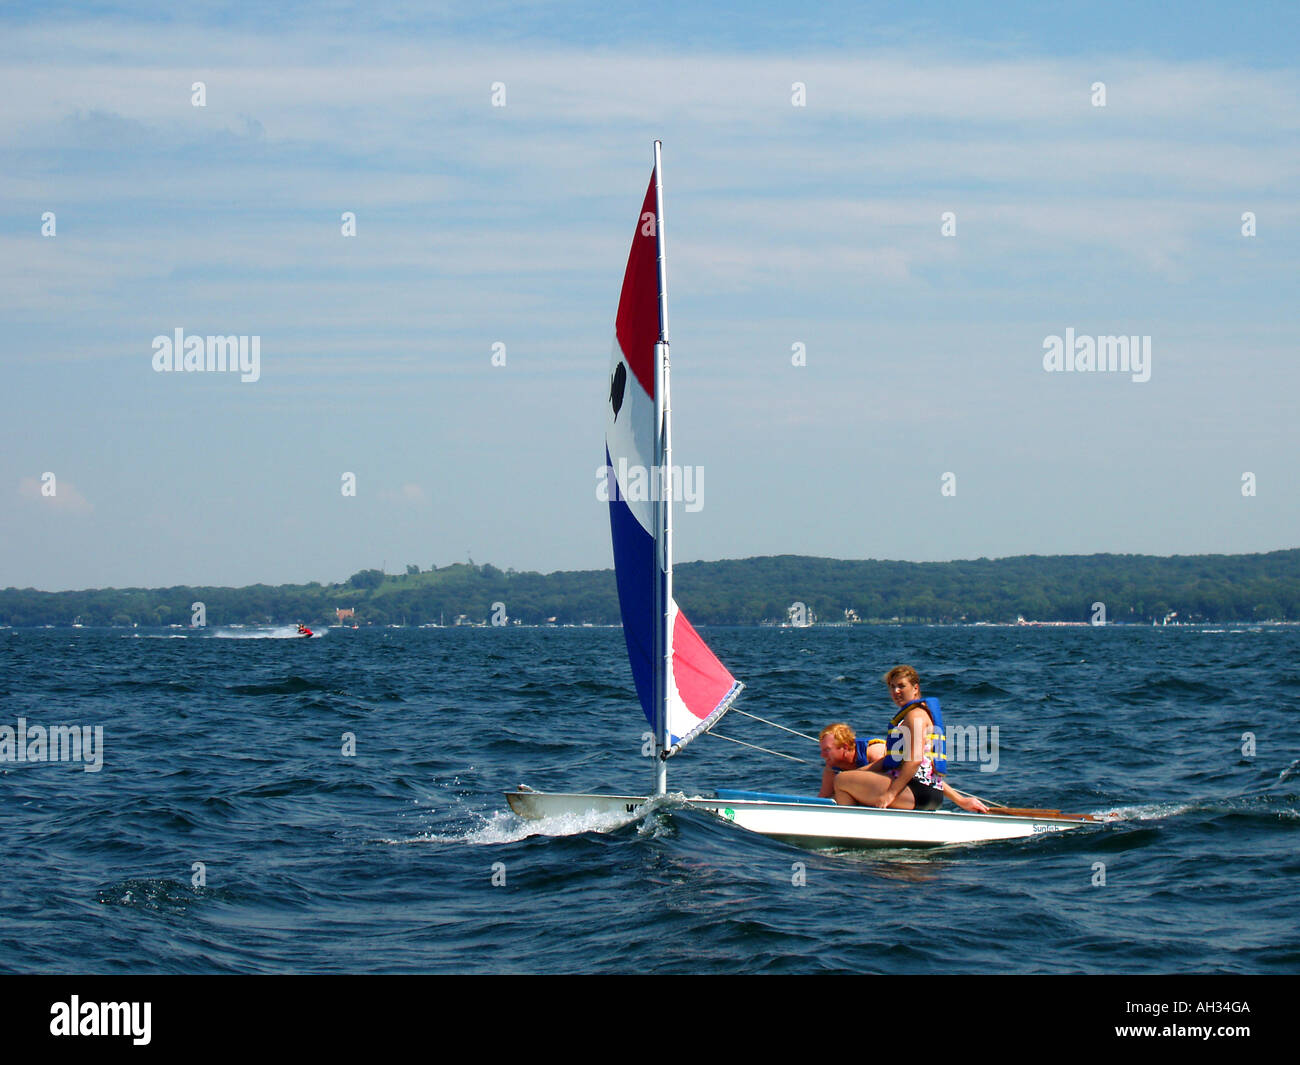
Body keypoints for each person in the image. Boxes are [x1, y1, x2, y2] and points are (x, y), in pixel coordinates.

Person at [818, 666, 989, 813]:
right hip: (925, 792)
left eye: (901, 686)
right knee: (848, 778)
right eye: (892, 687)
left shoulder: (915, 715)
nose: (896, 691)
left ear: (915, 688)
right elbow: (921, 768)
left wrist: (890, 794)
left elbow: (914, 761)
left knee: (841, 780)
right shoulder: (909, 716)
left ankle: (851, 833)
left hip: (917, 792)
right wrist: (961, 800)